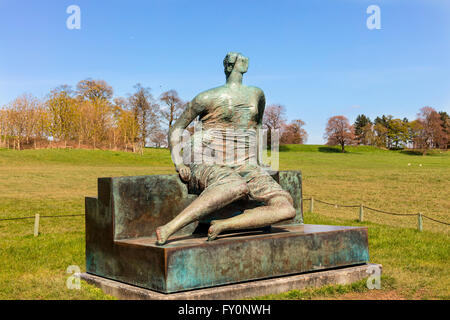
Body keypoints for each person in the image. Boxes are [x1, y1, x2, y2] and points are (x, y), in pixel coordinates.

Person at [155, 52, 295, 245]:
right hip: (207, 157)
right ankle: (170, 227)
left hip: (244, 162)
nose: (240, 60)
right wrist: (179, 163)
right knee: (235, 186)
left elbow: (257, 126)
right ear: (228, 66)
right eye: (235, 60)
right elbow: (177, 129)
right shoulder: (206, 97)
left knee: (286, 208)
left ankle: (224, 225)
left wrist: (260, 161)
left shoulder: (257, 94)